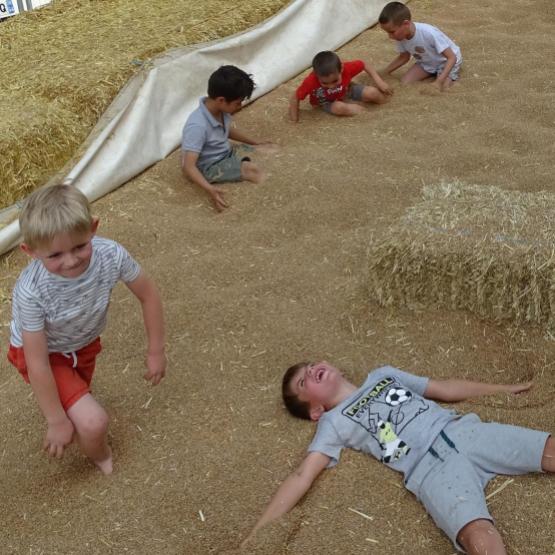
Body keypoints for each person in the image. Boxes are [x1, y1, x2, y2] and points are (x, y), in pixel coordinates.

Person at [242, 361, 554, 554]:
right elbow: (301, 476)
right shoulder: (333, 422)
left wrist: (503, 388)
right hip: (430, 470)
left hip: (462, 430)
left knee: (547, 448)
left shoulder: (383, 375)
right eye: (303, 381)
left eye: (309, 365)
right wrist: (255, 537)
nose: (310, 371)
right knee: (478, 535)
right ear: (314, 410)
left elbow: (443, 388)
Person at [7, 184, 166, 475]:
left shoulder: (111, 254)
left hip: (83, 342)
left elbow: (148, 294)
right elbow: (37, 361)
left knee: (80, 400)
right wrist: (55, 419)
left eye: (79, 246)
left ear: (93, 228)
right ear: (29, 251)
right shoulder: (30, 292)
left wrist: (156, 349)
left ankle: (78, 418)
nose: (71, 261)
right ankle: (101, 457)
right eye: (54, 255)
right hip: (43, 353)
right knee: (94, 421)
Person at [181, 65, 273, 212]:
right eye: (238, 103)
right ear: (221, 100)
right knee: (253, 170)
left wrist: (255, 142)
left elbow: (227, 131)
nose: (240, 106)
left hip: (224, 152)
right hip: (208, 167)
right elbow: (188, 166)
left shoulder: (219, 110)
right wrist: (209, 189)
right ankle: (272, 194)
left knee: (268, 149)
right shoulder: (197, 126)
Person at [379, 2, 462, 91]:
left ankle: (445, 77)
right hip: (426, 63)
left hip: (446, 62)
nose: (390, 36)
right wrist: (385, 72)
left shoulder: (429, 33)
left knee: (443, 87)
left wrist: (438, 82)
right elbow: (404, 57)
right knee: (404, 82)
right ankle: (433, 73)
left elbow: (452, 57)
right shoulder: (401, 37)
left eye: (392, 32)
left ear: (406, 24)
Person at [289, 50, 392, 122]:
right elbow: (295, 97)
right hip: (325, 101)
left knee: (373, 93)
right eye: (325, 83)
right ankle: (371, 117)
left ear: (341, 69)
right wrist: (294, 120)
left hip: (346, 90)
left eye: (335, 81)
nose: (331, 86)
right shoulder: (311, 81)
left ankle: (388, 106)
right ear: (316, 75)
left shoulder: (346, 68)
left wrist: (379, 82)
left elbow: (363, 64)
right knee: (339, 107)